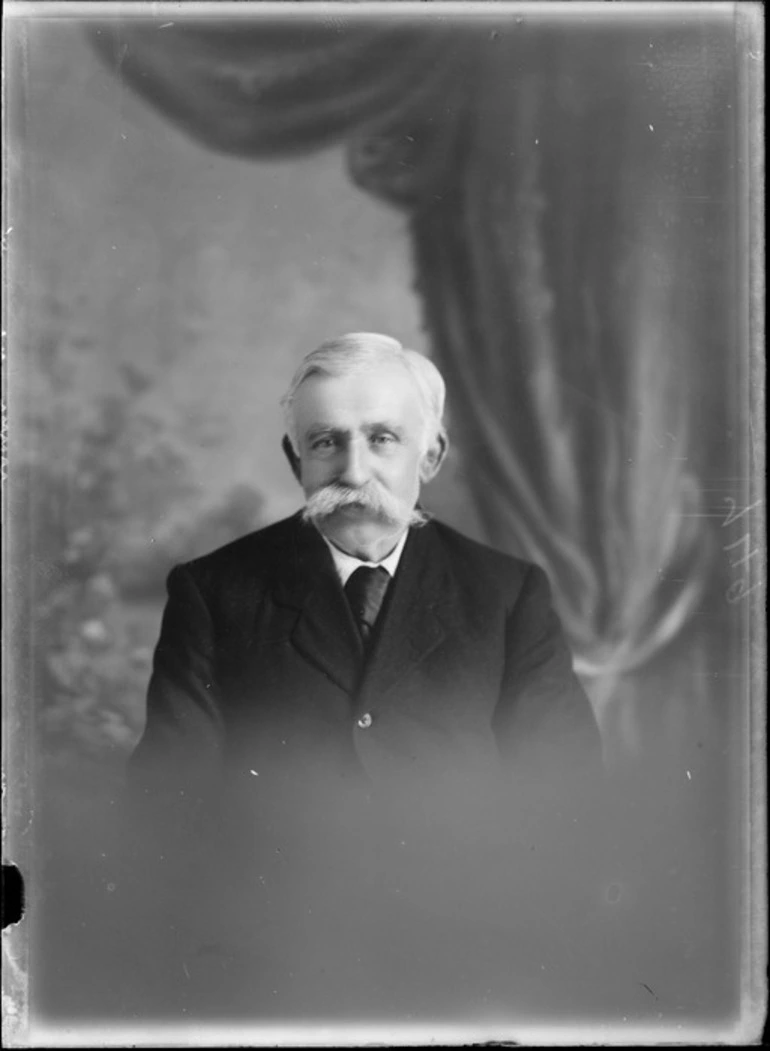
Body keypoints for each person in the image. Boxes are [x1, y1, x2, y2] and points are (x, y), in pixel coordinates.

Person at [122, 332, 604, 1019]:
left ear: (430, 454)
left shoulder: (505, 592)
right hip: (271, 961)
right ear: (296, 458)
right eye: (326, 442)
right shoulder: (214, 590)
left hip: (471, 961)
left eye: (382, 439)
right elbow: (168, 795)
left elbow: (564, 788)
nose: (354, 470)